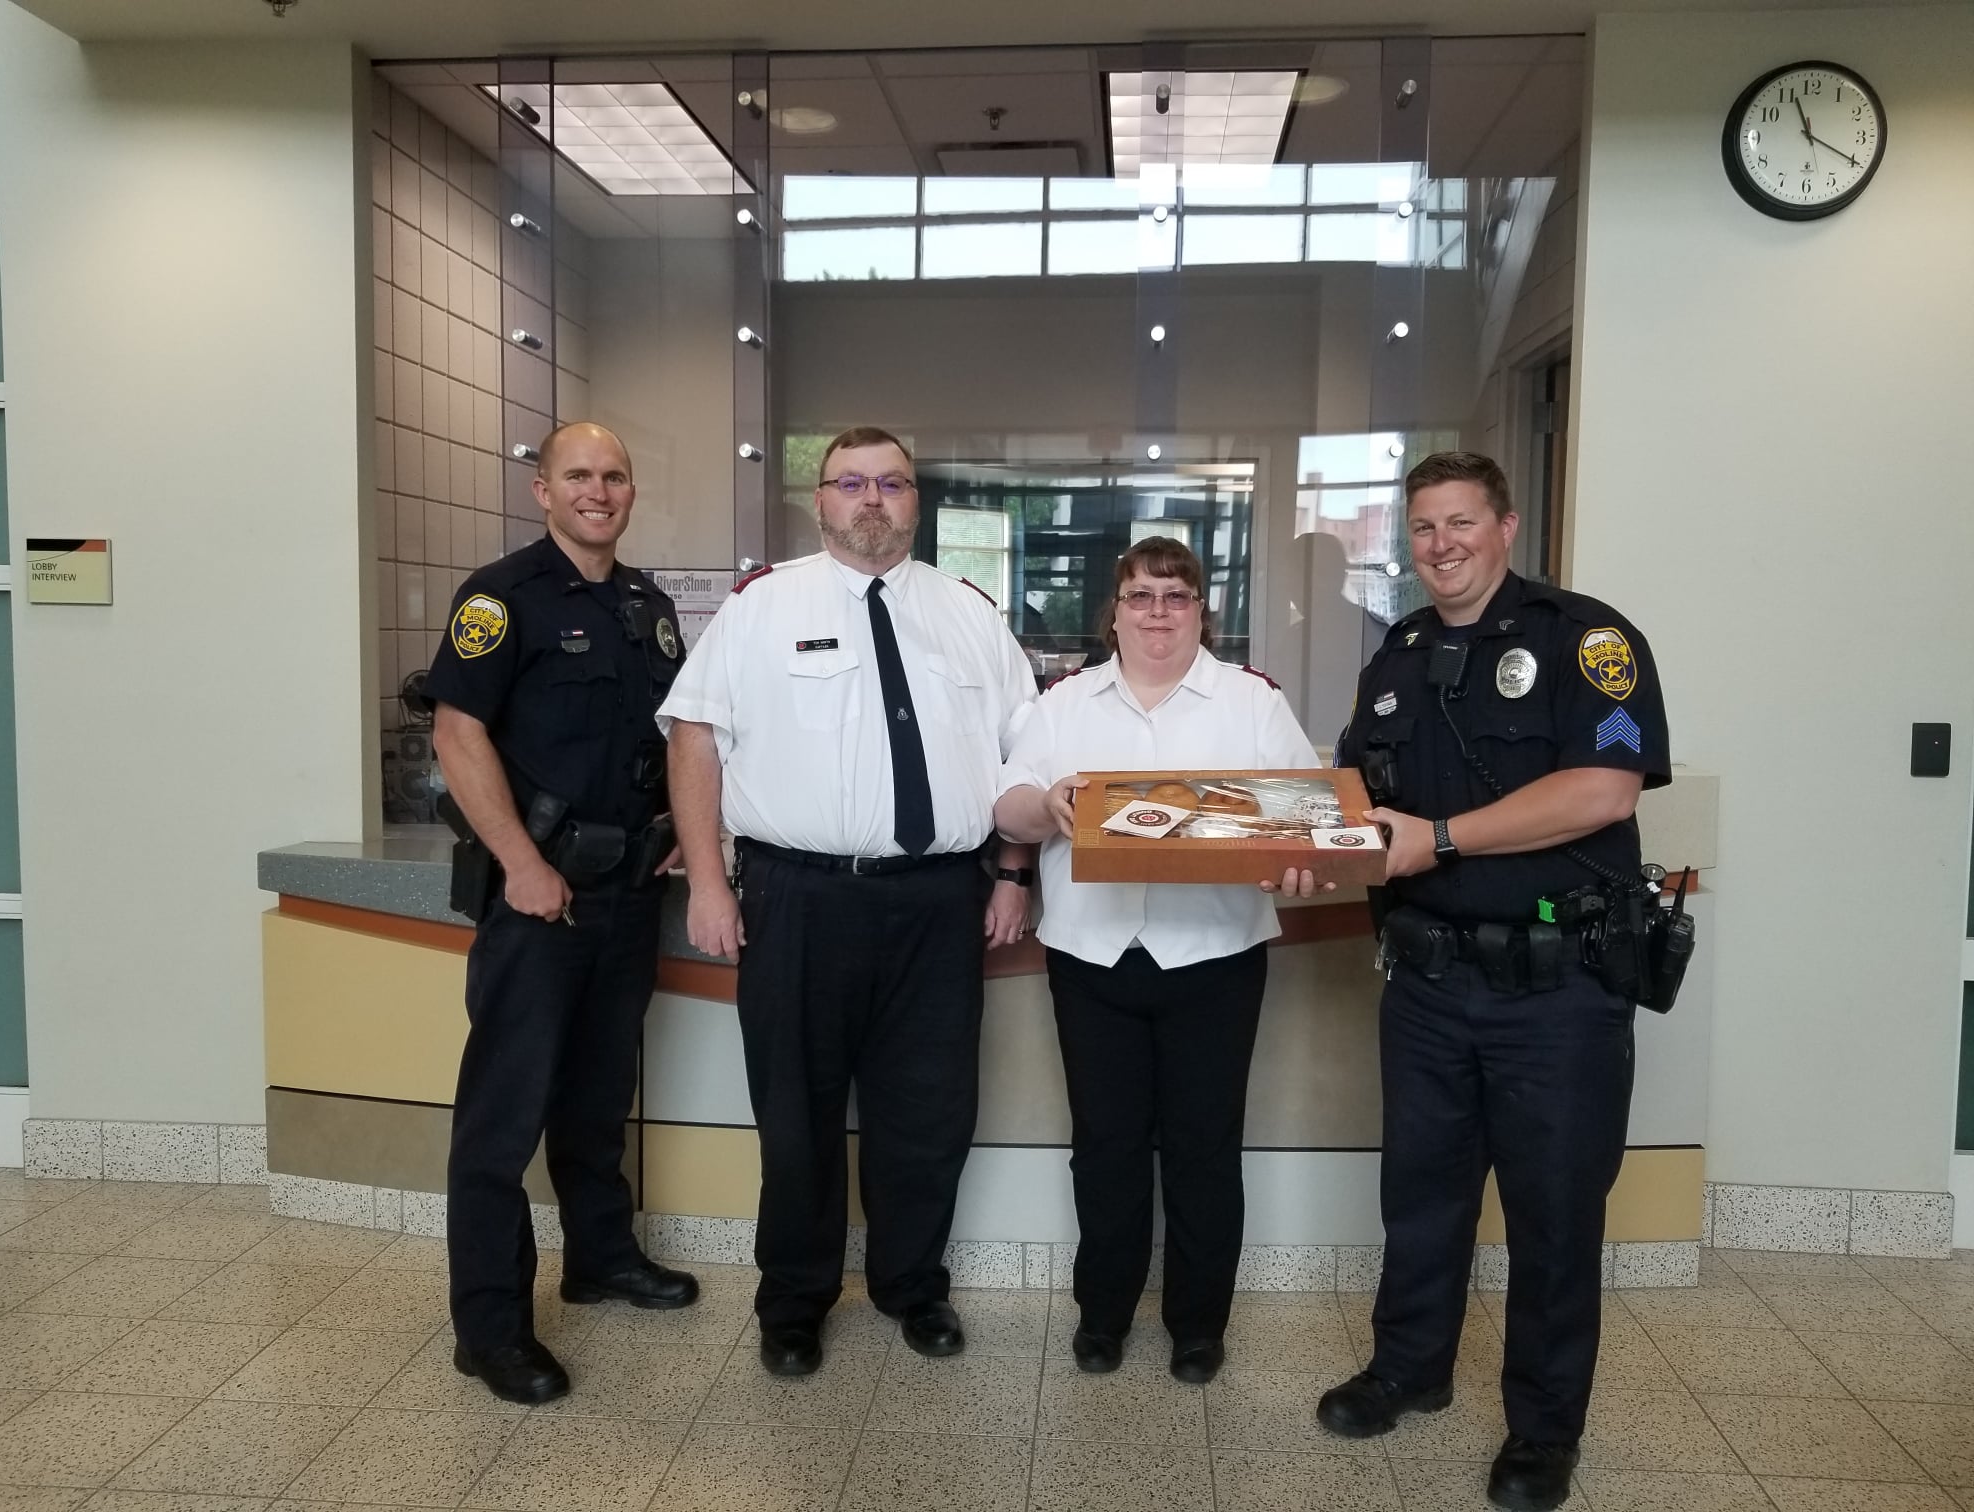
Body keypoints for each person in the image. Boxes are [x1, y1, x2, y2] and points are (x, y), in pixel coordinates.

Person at [1316, 452, 1671, 1512]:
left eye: (1461, 522)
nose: (1442, 545)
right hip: (1427, 984)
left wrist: (1442, 838)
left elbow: (1605, 790)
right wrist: (1308, 852)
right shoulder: (1396, 659)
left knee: (1554, 1216)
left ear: (1506, 527)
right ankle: (1409, 1369)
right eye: (1424, 527)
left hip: (1557, 993)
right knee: (1420, 1198)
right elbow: (1353, 805)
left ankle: (1543, 1430)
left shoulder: (1589, 641)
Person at [658, 425, 1038, 1376]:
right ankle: (794, 1301)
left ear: (916, 500)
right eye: (851, 483)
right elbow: (694, 737)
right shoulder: (761, 606)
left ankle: (914, 1286)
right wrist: (708, 880)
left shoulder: (969, 612)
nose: (872, 499)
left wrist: (1012, 872)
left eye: (892, 483)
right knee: (796, 1116)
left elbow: (1026, 754)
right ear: (819, 500)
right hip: (798, 899)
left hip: (939, 902)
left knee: (929, 1111)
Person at [993, 536, 1325, 1386]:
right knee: (1104, 1145)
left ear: (1202, 611)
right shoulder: (1066, 703)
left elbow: (1309, 813)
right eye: (1140, 596)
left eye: (1176, 597)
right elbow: (1008, 806)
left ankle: (1198, 1326)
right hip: (1092, 956)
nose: (1158, 613)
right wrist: (1046, 801)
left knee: (1203, 1148)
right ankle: (1102, 1315)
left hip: (1213, 955)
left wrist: (1295, 854)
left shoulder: (1250, 701)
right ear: (1114, 611)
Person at [425, 421, 699, 1405]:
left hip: (627, 891)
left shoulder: (646, 605)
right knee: (503, 1118)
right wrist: (520, 861)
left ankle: (601, 1257)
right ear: (542, 490)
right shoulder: (500, 598)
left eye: (614, 476)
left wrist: (684, 830)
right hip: (538, 899)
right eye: (578, 475)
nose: (598, 490)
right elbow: (457, 733)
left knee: (596, 1094)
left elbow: (672, 737)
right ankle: (489, 1327)